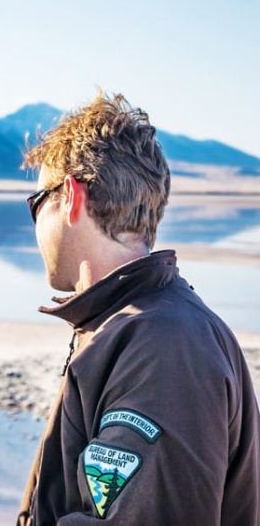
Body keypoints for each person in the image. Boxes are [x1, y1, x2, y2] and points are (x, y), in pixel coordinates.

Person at [17, 93, 259, 525]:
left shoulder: (166, 348)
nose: (35, 224)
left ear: (70, 197)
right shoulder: (127, 323)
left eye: (37, 204)